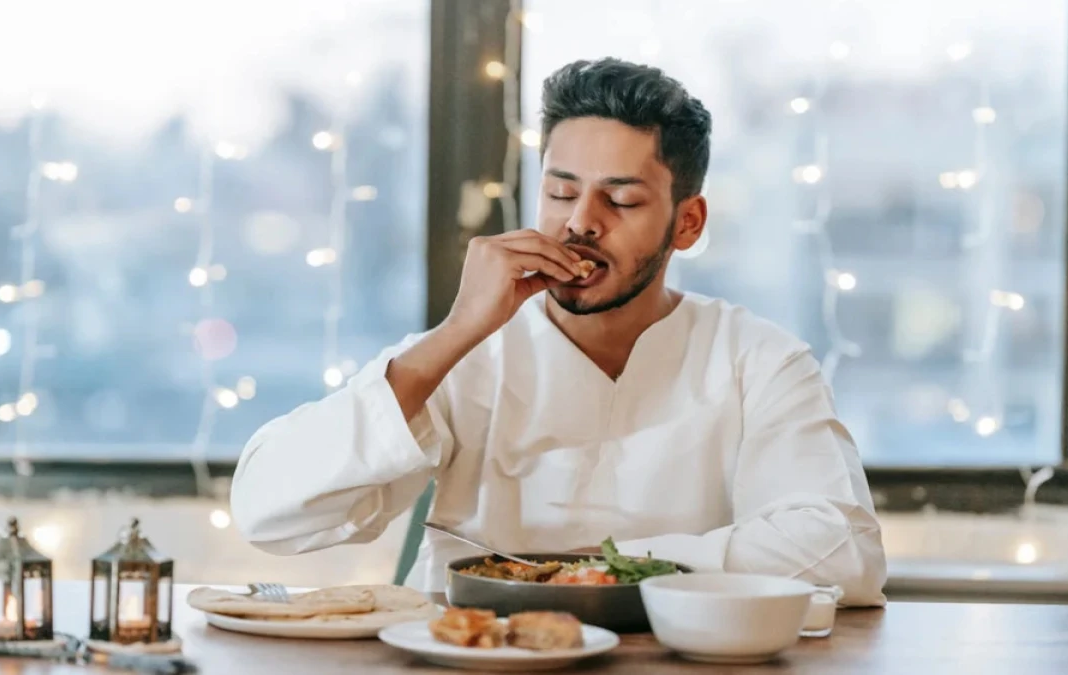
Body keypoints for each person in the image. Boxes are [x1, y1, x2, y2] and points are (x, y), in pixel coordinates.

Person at [231, 57, 887, 606]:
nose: (580, 223)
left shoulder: (759, 359)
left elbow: (843, 552)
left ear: (687, 223)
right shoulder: (468, 350)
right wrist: (455, 332)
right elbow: (270, 511)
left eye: (621, 200)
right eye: (560, 192)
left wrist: (605, 570)